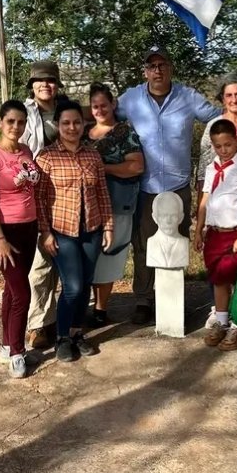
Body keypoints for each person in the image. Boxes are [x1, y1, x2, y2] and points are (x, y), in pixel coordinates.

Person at [118, 45, 220, 324]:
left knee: (176, 243)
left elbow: (217, 117)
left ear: (171, 68)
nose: (157, 70)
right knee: (144, 245)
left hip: (177, 186)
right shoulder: (131, 99)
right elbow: (104, 116)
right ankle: (143, 298)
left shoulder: (188, 97)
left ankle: (173, 296)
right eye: (152, 66)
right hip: (144, 187)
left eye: (162, 64)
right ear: (145, 71)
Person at [36, 100, 114, 363]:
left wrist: (108, 226)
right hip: (62, 231)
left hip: (91, 229)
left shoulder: (92, 155)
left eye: (77, 122)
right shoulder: (46, 158)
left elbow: (102, 192)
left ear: (83, 125)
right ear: (57, 125)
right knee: (74, 286)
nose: (72, 127)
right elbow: (40, 200)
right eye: (66, 123)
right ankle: (62, 338)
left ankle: (77, 333)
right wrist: (45, 232)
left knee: (85, 285)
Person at [0, 100, 41, 379]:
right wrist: (0, 238)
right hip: (5, 232)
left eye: (21, 122)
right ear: (0, 123)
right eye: (11, 121)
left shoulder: (26, 151)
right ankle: (17, 352)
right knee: (23, 293)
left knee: (11, 290)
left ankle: (6, 344)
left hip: (29, 228)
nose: (16, 127)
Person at [193, 120, 237, 351]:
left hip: (235, 233)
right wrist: (199, 230)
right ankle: (221, 322)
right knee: (218, 279)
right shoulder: (212, 167)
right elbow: (204, 200)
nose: (223, 150)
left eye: (228, 145)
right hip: (214, 233)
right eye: (218, 146)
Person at [86, 83, 145, 325]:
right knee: (88, 255)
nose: (100, 110)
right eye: (95, 106)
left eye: (104, 105)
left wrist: (102, 168)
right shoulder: (83, 133)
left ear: (113, 104)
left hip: (117, 204)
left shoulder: (125, 132)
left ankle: (101, 309)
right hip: (87, 207)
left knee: (109, 255)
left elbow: (136, 166)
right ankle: (86, 303)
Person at [23, 59, 64, 350]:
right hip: (38, 191)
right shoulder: (24, 113)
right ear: (32, 85)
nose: (45, 85)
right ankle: (37, 324)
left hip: (68, 192)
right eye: (40, 81)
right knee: (40, 263)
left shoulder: (68, 110)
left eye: (50, 80)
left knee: (65, 260)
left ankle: (61, 318)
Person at [196, 72, 237, 180]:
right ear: (222, 98)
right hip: (219, 190)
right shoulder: (213, 126)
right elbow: (203, 169)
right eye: (229, 95)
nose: (234, 100)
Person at [147, 192, 191, 269]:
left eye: (173, 215)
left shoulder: (183, 243)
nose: (168, 221)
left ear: (181, 217)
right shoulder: (151, 243)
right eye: (163, 216)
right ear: (155, 217)